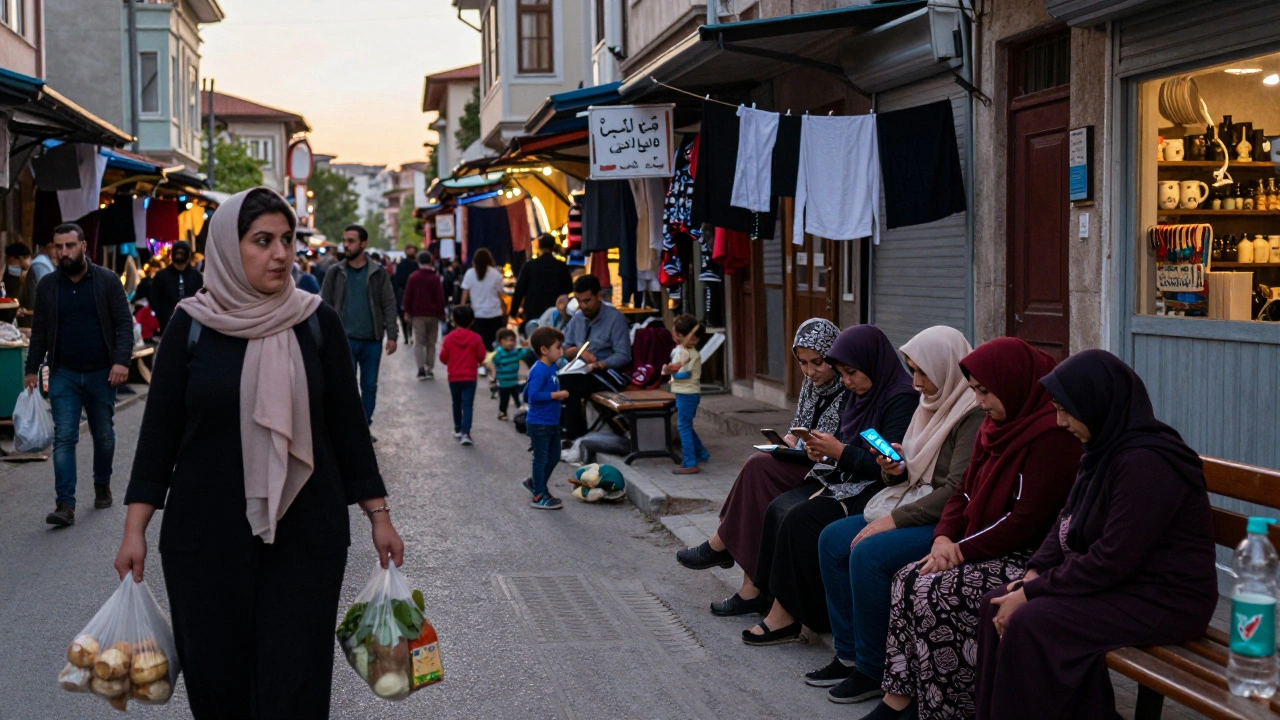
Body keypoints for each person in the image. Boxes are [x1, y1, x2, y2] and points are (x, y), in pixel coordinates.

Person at [113, 187, 405, 718]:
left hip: (305, 538)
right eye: (263, 241)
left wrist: (378, 518)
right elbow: (158, 436)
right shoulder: (191, 326)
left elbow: (348, 431)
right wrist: (135, 530)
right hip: (205, 539)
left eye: (287, 240)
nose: (281, 254)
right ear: (228, 248)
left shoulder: (316, 323)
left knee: (295, 681)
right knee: (217, 683)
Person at [975, 350, 1217, 720]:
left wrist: (1034, 592)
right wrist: (1034, 573)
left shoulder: (1147, 463)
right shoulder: (1104, 449)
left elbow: (1112, 559)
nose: (1059, 421)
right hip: (1125, 586)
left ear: (1098, 403)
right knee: (997, 601)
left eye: (1067, 410)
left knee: (1029, 621)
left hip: (1165, 598)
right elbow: (1065, 521)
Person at [866, 337, 1083, 720]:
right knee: (907, 579)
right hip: (981, 547)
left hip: (1028, 557)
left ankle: (946, 709)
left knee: (938, 592)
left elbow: (1024, 520)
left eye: (986, 391)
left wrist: (959, 551)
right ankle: (898, 698)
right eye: (975, 391)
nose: (981, 401)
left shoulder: (1052, 436)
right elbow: (963, 491)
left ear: (1014, 383)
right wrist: (943, 537)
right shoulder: (995, 425)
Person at [809, 325, 984, 702]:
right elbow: (911, 467)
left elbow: (956, 489)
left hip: (947, 518)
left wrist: (894, 520)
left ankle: (874, 668)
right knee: (832, 539)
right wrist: (893, 465)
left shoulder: (970, 412)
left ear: (946, 368)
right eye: (912, 370)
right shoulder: (930, 403)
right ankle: (850, 654)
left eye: (923, 372)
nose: (916, 381)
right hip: (909, 497)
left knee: (868, 554)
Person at [741, 324, 919, 646]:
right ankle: (768, 597)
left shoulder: (900, 397)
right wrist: (824, 450)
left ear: (873, 362)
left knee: (800, 517)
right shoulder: (859, 394)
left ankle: (791, 615)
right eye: (842, 373)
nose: (846, 382)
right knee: (780, 507)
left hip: (879, 491)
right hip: (848, 480)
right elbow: (849, 446)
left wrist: (839, 452)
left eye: (851, 372)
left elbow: (891, 466)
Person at [675, 319, 846, 601]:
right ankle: (747, 586)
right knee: (759, 478)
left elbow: (841, 444)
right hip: (804, 460)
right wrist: (787, 443)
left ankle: (724, 547)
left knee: (758, 470)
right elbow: (799, 427)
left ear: (834, 355)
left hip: (827, 470)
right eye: (803, 363)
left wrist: (812, 448)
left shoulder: (848, 384)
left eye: (818, 362)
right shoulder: (810, 383)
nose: (810, 371)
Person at [26, 223, 133, 527]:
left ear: (84, 246)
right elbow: (41, 332)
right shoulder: (48, 285)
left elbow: (124, 324)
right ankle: (65, 505)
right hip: (64, 374)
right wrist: (31, 369)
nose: (64, 253)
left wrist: (121, 362)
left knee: (104, 436)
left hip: (102, 373)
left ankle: (102, 482)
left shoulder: (107, 281)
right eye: (59, 247)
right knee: (64, 438)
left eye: (70, 246)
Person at [320, 224, 399, 426]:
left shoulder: (378, 273)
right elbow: (324, 303)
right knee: (344, 386)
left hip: (372, 339)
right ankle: (348, 429)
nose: (345, 245)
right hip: (343, 339)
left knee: (369, 386)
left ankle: (364, 426)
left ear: (363, 244)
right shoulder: (335, 272)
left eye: (351, 241)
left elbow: (389, 304)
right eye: (344, 240)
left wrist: (392, 335)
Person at [560, 274, 632, 441]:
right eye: (579, 301)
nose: (583, 306)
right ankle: (564, 429)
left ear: (599, 296)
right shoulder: (578, 318)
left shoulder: (615, 318)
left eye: (587, 300)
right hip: (579, 371)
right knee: (553, 377)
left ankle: (574, 434)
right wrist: (577, 352)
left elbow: (624, 355)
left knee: (570, 382)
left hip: (609, 373)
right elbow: (564, 348)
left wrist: (599, 365)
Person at [524, 325, 570, 510]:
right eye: (558, 347)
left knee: (554, 456)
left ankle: (536, 483)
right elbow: (532, 396)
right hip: (539, 422)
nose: (561, 351)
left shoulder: (551, 368)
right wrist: (556, 395)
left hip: (551, 421)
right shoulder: (539, 370)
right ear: (544, 350)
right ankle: (538, 495)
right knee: (541, 458)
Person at [666, 314, 709, 475]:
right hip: (688, 394)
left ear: (680, 335)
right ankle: (701, 453)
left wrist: (670, 371)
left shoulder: (686, 353)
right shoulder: (687, 351)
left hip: (686, 394)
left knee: (683, 427)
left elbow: (684, 374)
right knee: (686, 425)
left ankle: (689, 461)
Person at [439, 304, 485, 446]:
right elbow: (481, 355)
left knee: (456, 402)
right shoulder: (476, 338)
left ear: (454, 320)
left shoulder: (448, 338)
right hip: (470, 377)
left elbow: (443, 357)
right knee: (468, 405)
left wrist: (451, 362)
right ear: (471, 320)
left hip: (454, 376)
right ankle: (466, 433)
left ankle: (458, 428)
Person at [510, 234, 573, 334]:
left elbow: (519, 291)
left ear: (539, 247)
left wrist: (513, 313)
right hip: (555, 315)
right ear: (553, 247)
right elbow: (569, 291)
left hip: (533, 311)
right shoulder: (561, 267)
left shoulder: (529, 266)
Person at [402, 251, 446, 380]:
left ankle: (420, 369)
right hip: (433, 315)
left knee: (419, 343)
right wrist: (441, 313)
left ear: (419, 261)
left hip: (418, 315)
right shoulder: (435, 278)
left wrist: (407, 311)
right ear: (430, 261)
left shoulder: (413, 277)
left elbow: (408, 296)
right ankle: (429, 368)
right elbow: (440, 298)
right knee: (431, 343)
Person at [149, 240, 204, 333]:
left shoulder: (196, 276)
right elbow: (154, 299)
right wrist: (164, 316)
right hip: (167, 325)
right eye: (177, 252)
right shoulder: (161, 276)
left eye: (182, 253)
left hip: (193, 325)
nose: (179, 255)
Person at [461, 248, 507, 351]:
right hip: (495, 313)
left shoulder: (469, 274)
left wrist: (462, 311)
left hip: (478, 314)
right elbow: (501, 295)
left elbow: (464, 296)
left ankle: (483, 364)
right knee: (495, 345)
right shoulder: (496, 274)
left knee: (481, 345)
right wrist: (505, 311)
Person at [491, 328, 533, 420]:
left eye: (512, 340)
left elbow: (522, 353)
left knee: (517, 396)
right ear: (501, 342)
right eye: (507, 340)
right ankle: (502, 412)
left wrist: (526, 347)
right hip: (503, 383)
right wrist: (494, 376)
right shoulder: (498, 353)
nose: (510, 343)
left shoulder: (514, 353)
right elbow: (493, 363)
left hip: (514, 381)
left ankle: (520, 410)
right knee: (504, 399)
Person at [393, 245, 418, 344]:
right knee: (407, 315)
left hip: (405, 292)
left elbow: (396, 281)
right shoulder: (413, 265)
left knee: (405, 315)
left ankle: (408, 336)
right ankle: (408, 336)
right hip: (406, 292)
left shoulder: (403, 265)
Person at [5, 241, 33, 326]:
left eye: (11, 260)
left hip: (27, 323)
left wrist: (26, 312)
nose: (9, 264)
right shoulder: (9, 274)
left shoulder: (32, 276)